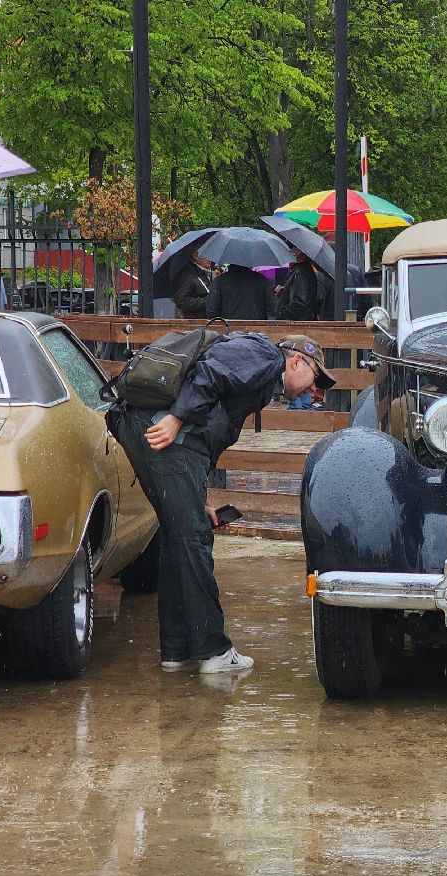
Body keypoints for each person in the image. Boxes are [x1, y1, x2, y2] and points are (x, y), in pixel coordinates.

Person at [113, 332, 335, 674]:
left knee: (179, 536)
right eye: (316, 379)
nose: (315, 391)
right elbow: (210, 373)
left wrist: (198, 501)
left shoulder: (260, 377)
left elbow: (210, 429)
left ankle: (177, 651)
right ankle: (213, 651)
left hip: (147, 429)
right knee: (194, 539)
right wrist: (176, 418)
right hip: (166, 432)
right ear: (297, 361)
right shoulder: (265, 356)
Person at [206, 264, 277, 321]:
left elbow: (212, 310)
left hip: (228, 331)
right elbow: (272, 308)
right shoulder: (263, 281)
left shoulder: (219, 281)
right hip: (256, 332)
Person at [275, 247, 320, 322]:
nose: (288, 254)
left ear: (301, 254)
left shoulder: (301, 272)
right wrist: (284, 292)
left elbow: (300, 302)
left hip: (297, 324)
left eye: (292, 252)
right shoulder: (297, 270)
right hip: (298, 322)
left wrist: (282, 313)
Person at [173, 252, 212, 320]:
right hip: (193, 323)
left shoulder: (203, 272)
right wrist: (207, 301)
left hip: (202, 321)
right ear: (195, 255)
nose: (210, 258)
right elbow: (182, 301)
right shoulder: (188, 274)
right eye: (206, 254)